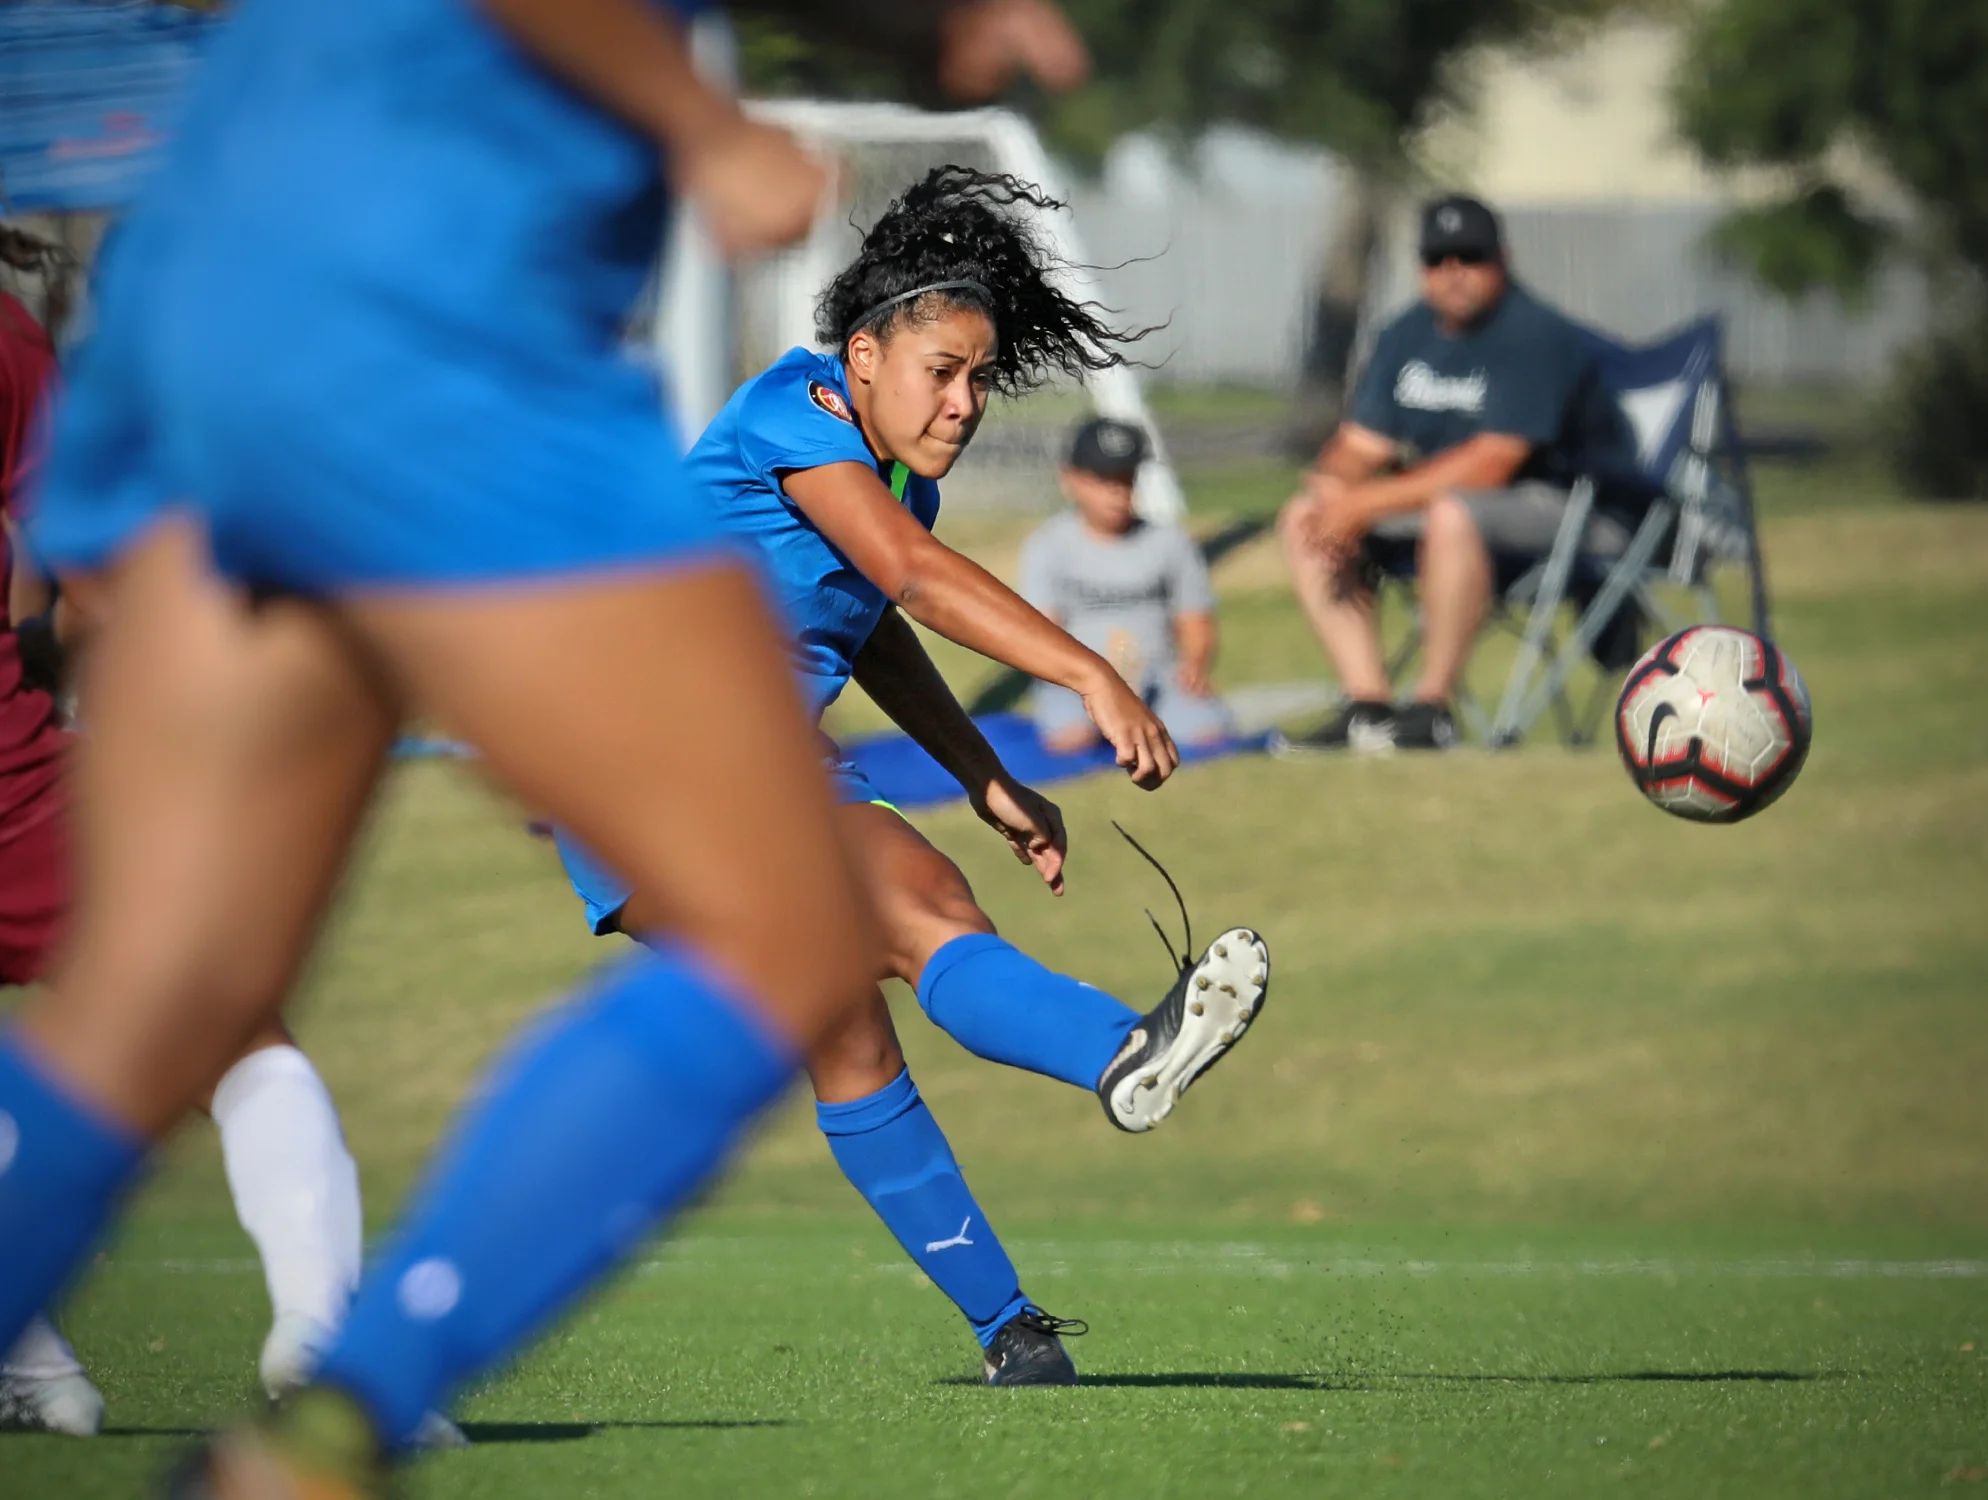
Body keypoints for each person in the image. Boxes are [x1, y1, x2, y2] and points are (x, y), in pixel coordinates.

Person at [0, 2, 1093, 1496]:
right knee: (796, 930)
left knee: (162, 998)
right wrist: (707, 127)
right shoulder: (800, 415)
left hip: (206, 307)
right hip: (435, 328)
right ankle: (339, 1423)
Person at [553, 168, 1270, 1385]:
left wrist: (983, 771)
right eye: (944, 370)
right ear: (865, 354)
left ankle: (1013, 1334)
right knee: (906, 917)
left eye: (983, 378)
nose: (965, 400)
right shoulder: (797, 406)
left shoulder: (896, 476)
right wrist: (1090, 671)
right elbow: (912, 575)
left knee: (871, 1009)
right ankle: (1119, 1049)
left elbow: (877, 622)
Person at [1, 284, 455, 1445]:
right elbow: (69, 580)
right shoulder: (14, 338)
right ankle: (319, 1340)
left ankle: (36, 1364)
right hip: (19, 762)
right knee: (236, 1030)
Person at [1273, 193, 1634, 753]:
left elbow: (1494, 462)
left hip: (1574, 509)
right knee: (1303, 517)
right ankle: (1367, 706)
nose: (1454, 273)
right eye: (1438, 260)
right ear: (1421, 267)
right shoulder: (1405, 335)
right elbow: (1360, 444)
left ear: (1503, 259)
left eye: (1470, 257)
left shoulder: (1535, 334)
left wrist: (1365, 505)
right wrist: (1336, 487)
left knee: (1452, 512)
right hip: (1462, 506)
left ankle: (1431, 712)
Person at [1019, 416, 1235, 754]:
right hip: (1076, 680)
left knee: (1207, 736)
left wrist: (1194, 665)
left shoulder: (1169, 542)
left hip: (1158, 677)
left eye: (1127, 479)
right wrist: (1094, 679)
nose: (1117, 492)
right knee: (1071, 741)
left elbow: (1195, 619)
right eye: (1104, 480)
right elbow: (1041, 631)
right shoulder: (1048, 546)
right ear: (1070, 479)